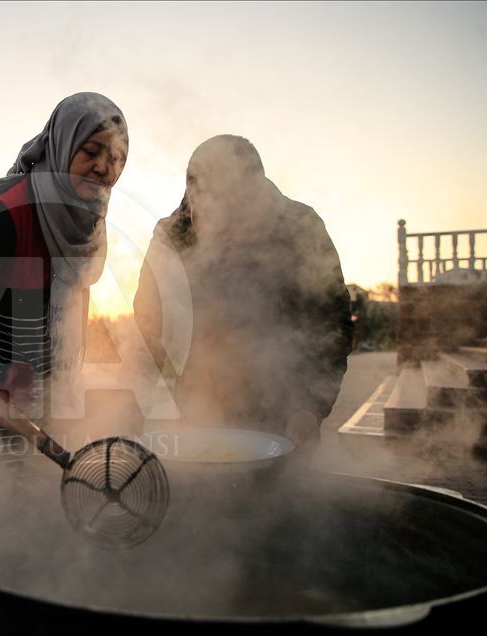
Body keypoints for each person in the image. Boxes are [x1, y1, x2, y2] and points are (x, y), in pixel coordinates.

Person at [0, 92, 128, 469]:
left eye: (115, 158)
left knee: (39, 498)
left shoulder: (88, 224)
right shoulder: (8, 207)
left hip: (44, 398)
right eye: (92, 151)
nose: (103, 167)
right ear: (62, 146)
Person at [134, 135, 352, 453]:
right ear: (190, 194)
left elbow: (331, 326)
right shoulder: (171, 237)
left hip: (284, 406)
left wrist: (311, 408)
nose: (218, 228)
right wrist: (175, 395)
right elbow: (149, 321)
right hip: (197, 405)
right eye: (206, 209)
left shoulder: (299, 227)